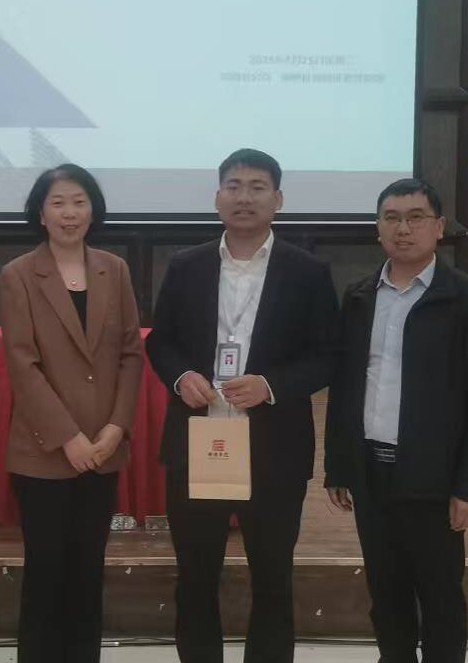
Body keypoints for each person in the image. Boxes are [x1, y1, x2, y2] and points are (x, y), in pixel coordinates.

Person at [146, 148, 339, 663]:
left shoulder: (308, 272)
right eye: (233, 186)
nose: (244, 197)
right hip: (197, 443)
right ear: (217, 198)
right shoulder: (186, 266)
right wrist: (182, 376)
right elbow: (160, 341)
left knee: (272, 580)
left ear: (278, 199)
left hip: (274, 449)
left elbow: (328, 355)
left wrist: (272, 385)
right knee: (195, 578)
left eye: (257, 187)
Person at [324, 178, 468, 663]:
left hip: (434, 478)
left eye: (415, 218)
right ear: (378, 228)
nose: (403, 229)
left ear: (439, 227)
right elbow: (346, 387)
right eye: (391, 218)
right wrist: (339, 465)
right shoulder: (360, 296)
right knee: (386, 596)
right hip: (370, 472)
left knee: (440, 597)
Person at [0, 164, 143, 663]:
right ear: (40, 213)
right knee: (46, 574)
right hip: (44, 453)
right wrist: (68, 437)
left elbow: (130, 354)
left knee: (87, 572)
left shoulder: (114, 269)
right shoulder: (18, 274)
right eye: (58, 202)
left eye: (79, 202)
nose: (69, 213)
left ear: (92, 210)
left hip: (103, 449)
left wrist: (116, 427)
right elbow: (22, 364)